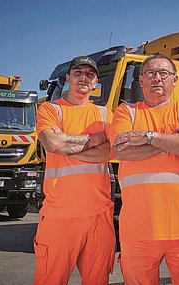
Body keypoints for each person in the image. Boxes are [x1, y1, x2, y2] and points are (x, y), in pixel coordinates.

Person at [110, 53, 179, 285]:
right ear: (141, 80)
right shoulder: (127, 112)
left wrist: (147, 137)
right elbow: (121, 151)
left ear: (175, 80)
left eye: (163, 73)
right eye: (150, 73)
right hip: (138, 231)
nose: (157, 78)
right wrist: (173, 141)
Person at [33, 56, 115, 285]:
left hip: (99, 215)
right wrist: (98, 138)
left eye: (89, 74)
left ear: (96, 81)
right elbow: (54, 144)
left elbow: (113, 151)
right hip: (59, 215)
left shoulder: (105, 114)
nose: (84, 77)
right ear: (68, 77)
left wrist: (70, 148)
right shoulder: (50, 109)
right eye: (78, 72)